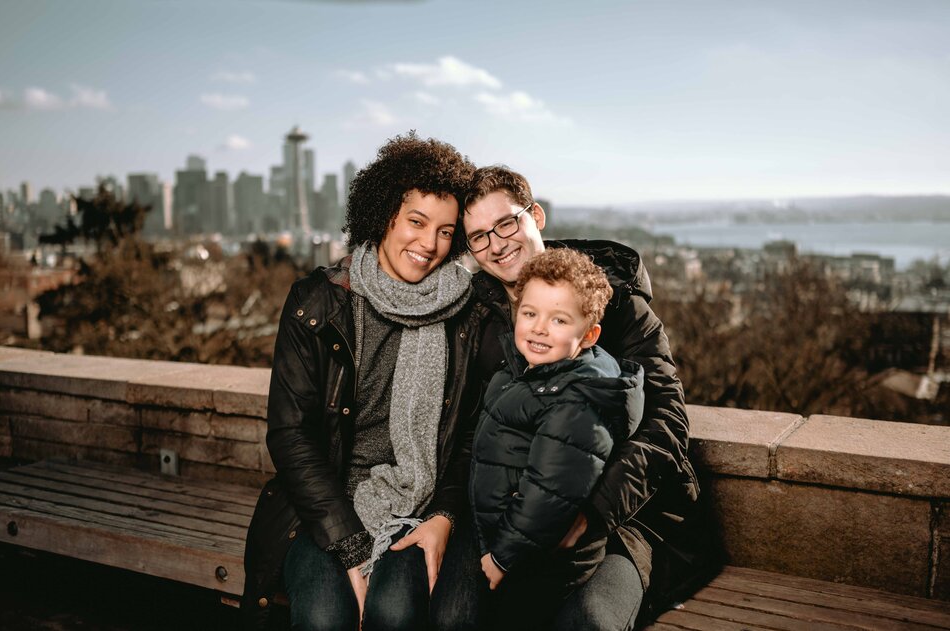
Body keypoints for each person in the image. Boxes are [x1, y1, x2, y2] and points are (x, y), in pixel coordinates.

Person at [242, 133, 485, 631]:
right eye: (416, 222)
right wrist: (351, 546)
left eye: (445, 231)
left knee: (394, 614)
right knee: (325, 618)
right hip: (323, 504)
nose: (428, 244)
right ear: (384, 216)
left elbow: (467, 439)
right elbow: (290, 435)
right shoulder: (319, 302)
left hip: (418, 501)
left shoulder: (467, 313)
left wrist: (444, 514)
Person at [462, 166, 717, 630]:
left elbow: (667, 426)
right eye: (479, 237)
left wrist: (590, 514)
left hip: (622, 520)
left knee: (586, 622)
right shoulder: (477, 320)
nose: (496, 244)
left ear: (535, 216)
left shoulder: (618, 305)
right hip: (510, 521)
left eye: (506, 224)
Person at [470, 248, 646, 630]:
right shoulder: (517, 374)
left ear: (588, 335)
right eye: (530, 313)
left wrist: (502, 556)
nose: (538, 328)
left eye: (559, 320)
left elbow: (550, 491)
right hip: (515, 543)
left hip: (541, 559)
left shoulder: (578, 396)